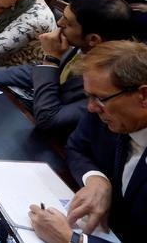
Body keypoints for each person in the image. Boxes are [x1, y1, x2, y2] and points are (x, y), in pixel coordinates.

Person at [0, 0, 132, 133]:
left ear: (93, 39)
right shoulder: (80, 45)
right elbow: (38, 71)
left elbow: (49, 120)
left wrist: (51, 59)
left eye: (67, 23)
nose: (58, 23)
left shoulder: (113, 78)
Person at [28, 40, 147, 243]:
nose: (91, 107)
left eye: (99, 98)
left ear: (143, 96)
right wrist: (97, 179)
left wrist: (71, 239)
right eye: (88, 96)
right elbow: (76, 147)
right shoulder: (106, 112)